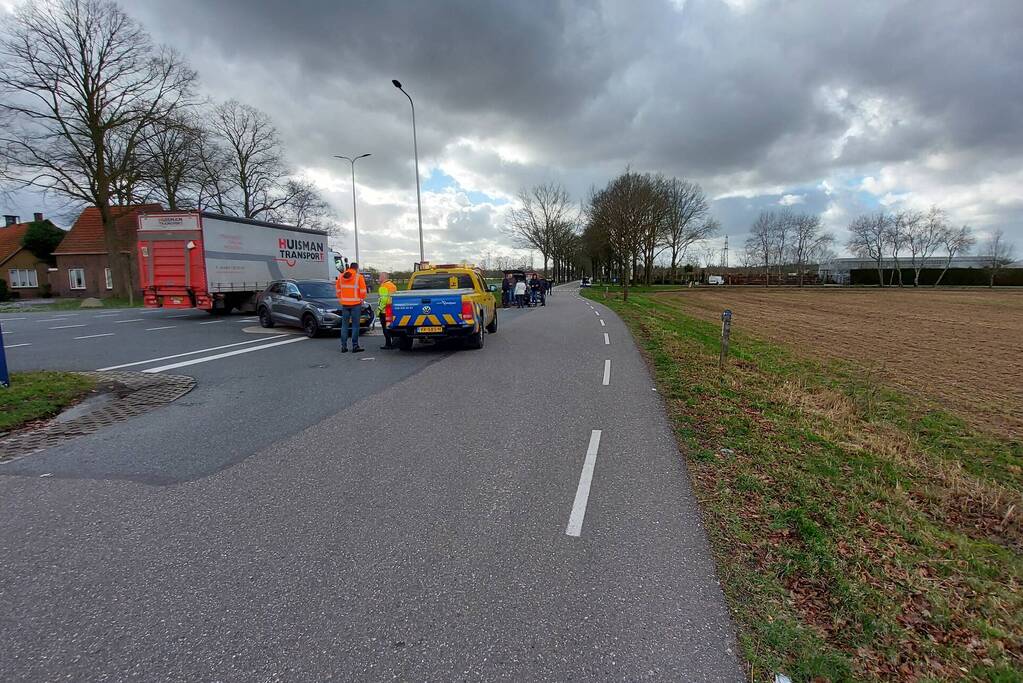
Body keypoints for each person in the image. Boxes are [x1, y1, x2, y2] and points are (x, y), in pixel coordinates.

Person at [335, 261, 367, 353]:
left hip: (345, 304)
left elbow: (338, 290)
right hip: (356, 304)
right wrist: (361, 299)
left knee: (344, 326)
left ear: (349, 267)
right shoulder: (358, 277)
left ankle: (343, 346)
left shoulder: (341, 276)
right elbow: (363, 291)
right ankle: (355, 346)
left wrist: (342, 298)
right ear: (356, 268)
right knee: (355, 326)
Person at [377, 271, 398, 350]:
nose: (378, 278)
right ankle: (394, 343)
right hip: (391, 309)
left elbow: (383, 300)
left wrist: (379, 309)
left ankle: (388, 344)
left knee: (385, 328)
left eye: (379, 277)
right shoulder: (393, 286)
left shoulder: (383, 286)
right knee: (390, 327)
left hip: (385, 310)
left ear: (383, 277)